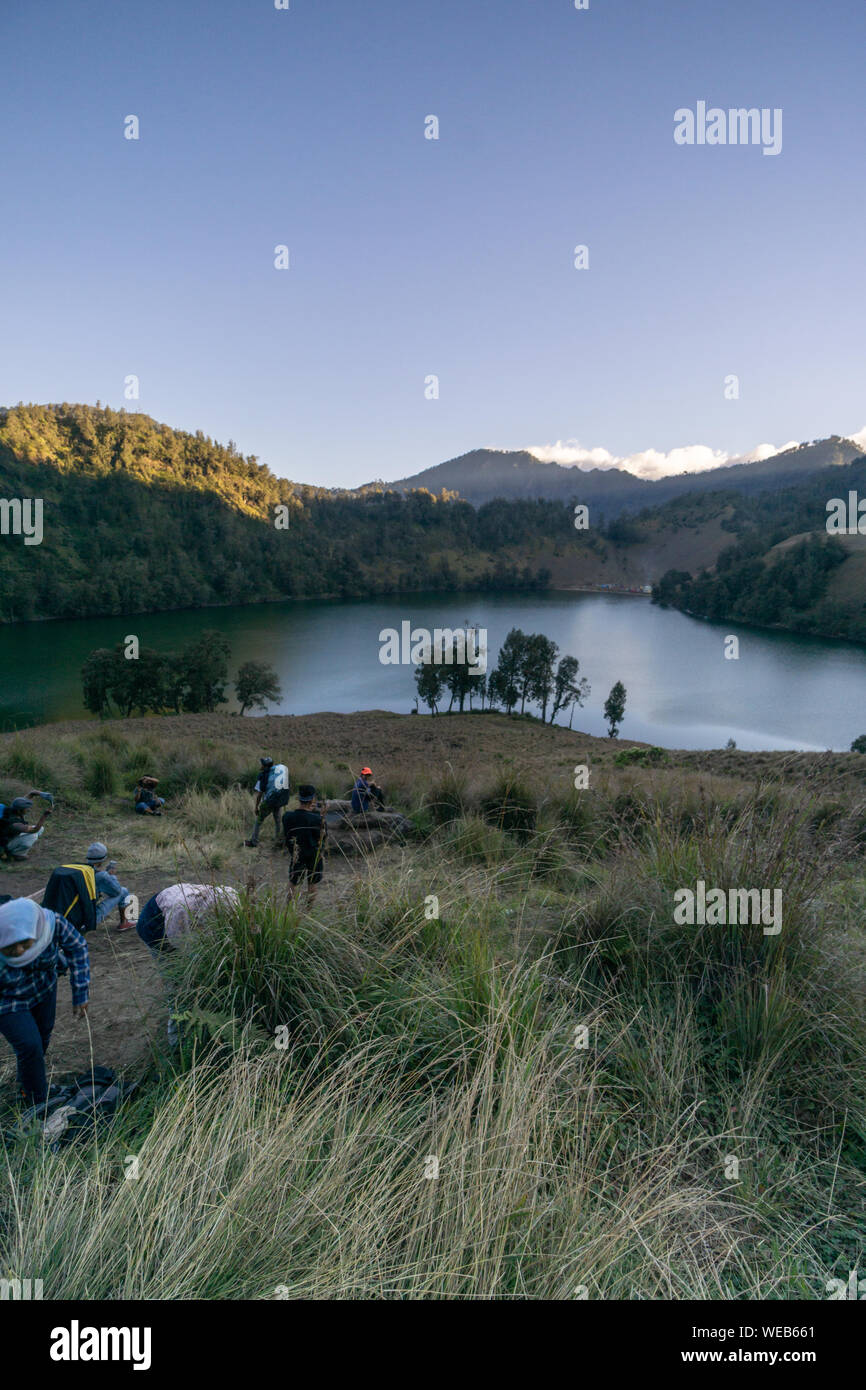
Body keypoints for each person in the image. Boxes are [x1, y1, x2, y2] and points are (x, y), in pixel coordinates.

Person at [0, 897, 90, 1107]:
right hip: (7, 1000)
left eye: (25, 942)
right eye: (11, 946)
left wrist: (80, 993)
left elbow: (77, 947)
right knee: (29, 1045)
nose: (20, 951)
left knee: (41, 1040)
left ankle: (29, 1086)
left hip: (44, 990)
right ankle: (37, 1101)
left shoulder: (52, 923)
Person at [282, 785, 327, 905]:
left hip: (297, 853)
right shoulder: (318, 819)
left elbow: (286, 835)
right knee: (312, 883)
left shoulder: (287, 817)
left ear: (299, 798)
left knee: (293, 881)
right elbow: (322, 838)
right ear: (312, 800)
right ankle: (307, 911)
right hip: (313, 854)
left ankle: (288, 908)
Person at [84, 842, 137, 932]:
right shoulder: (101, 875)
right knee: (123, 891)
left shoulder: (80, 870)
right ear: (102, 859)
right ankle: (124, 923)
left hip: (71, 916)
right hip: (88, 920)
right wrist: (111, 876)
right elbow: (116, 891)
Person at [245, 756, 290, 847]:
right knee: (277, 821)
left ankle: (254, 842)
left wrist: (256, 807)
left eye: (262, 764)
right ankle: (278, 841)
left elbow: (260, 794)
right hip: (278, 801)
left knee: (258, 821)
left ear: (265, 766)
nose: (261, 765)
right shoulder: (276, 774)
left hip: (268, 802)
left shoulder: (263, 776)